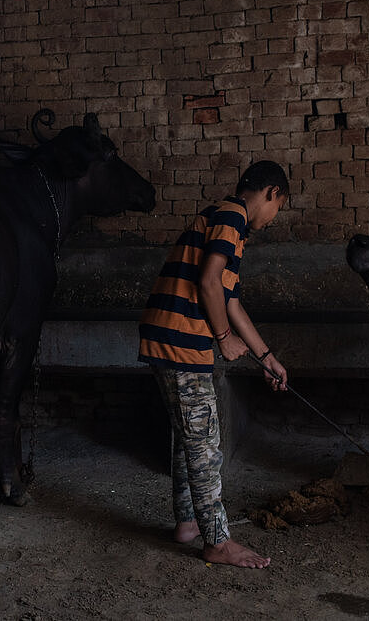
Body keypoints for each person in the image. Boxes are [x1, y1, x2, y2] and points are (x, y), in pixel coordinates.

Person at [138, 160, 290, 568]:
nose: (273, 218)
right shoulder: (233, 216)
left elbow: (231, 302)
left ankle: (189, 522)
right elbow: (208, 282)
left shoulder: (223, 221)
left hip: (167, 337)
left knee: (190, 436)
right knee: (205, 442)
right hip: (180, 341)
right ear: (272, 193)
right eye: (279, 207)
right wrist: (223, 338)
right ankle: (217, 541)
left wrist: (267, 358)